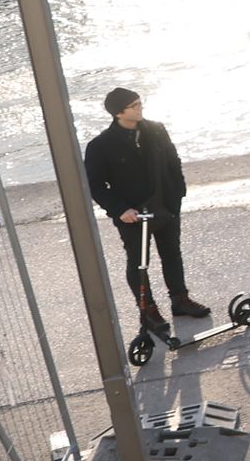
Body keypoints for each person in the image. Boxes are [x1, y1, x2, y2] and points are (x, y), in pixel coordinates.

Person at [83, 89, 203, 342]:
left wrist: (177, 193)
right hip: (133, 214)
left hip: (165, 206)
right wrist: (120, 210)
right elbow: (95, 185)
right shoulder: (100, 145)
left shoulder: (157, 130)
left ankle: (180, 299)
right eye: (134, 105)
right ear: (119, 113)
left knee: (172, 253)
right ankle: (148, 310)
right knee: (138, 262)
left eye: (139, 103)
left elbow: (173, 162)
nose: (140, 108)